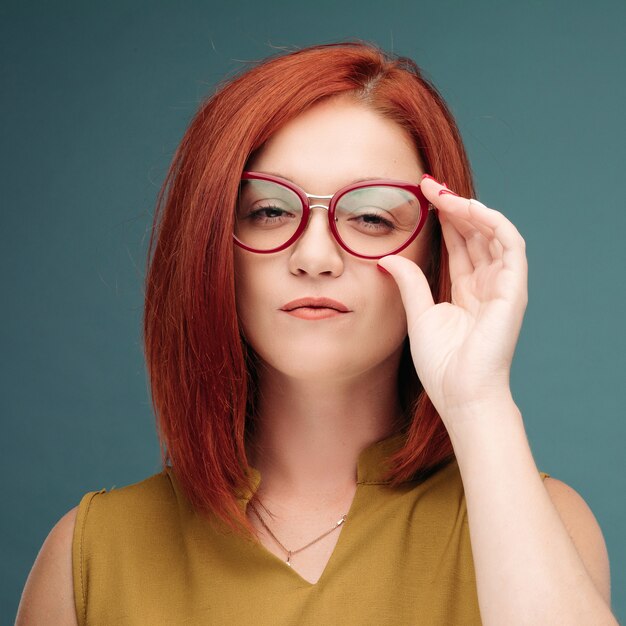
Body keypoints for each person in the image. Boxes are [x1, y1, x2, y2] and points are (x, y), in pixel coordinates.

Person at [16, 40, 616, 625]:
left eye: (373, 217)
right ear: (209, 246)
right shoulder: (88, 556)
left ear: (438, 251)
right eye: (270, 210)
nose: (315, 256)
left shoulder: (545, 527)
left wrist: (479, 401)